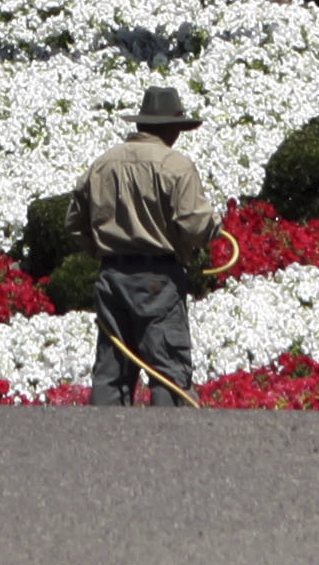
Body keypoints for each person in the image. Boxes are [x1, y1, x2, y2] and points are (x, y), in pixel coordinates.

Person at [72, 81, 223, 406]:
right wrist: (214, 226)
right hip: (159, 279)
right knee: (168, 371)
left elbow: (75, 222)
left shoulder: (104, 163)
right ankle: (168, 437)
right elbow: (195, 225)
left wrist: (101, 251)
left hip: (112, 276)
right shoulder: (175, 166)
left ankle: (102, 437)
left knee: (111, 372)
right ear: (171, 129)